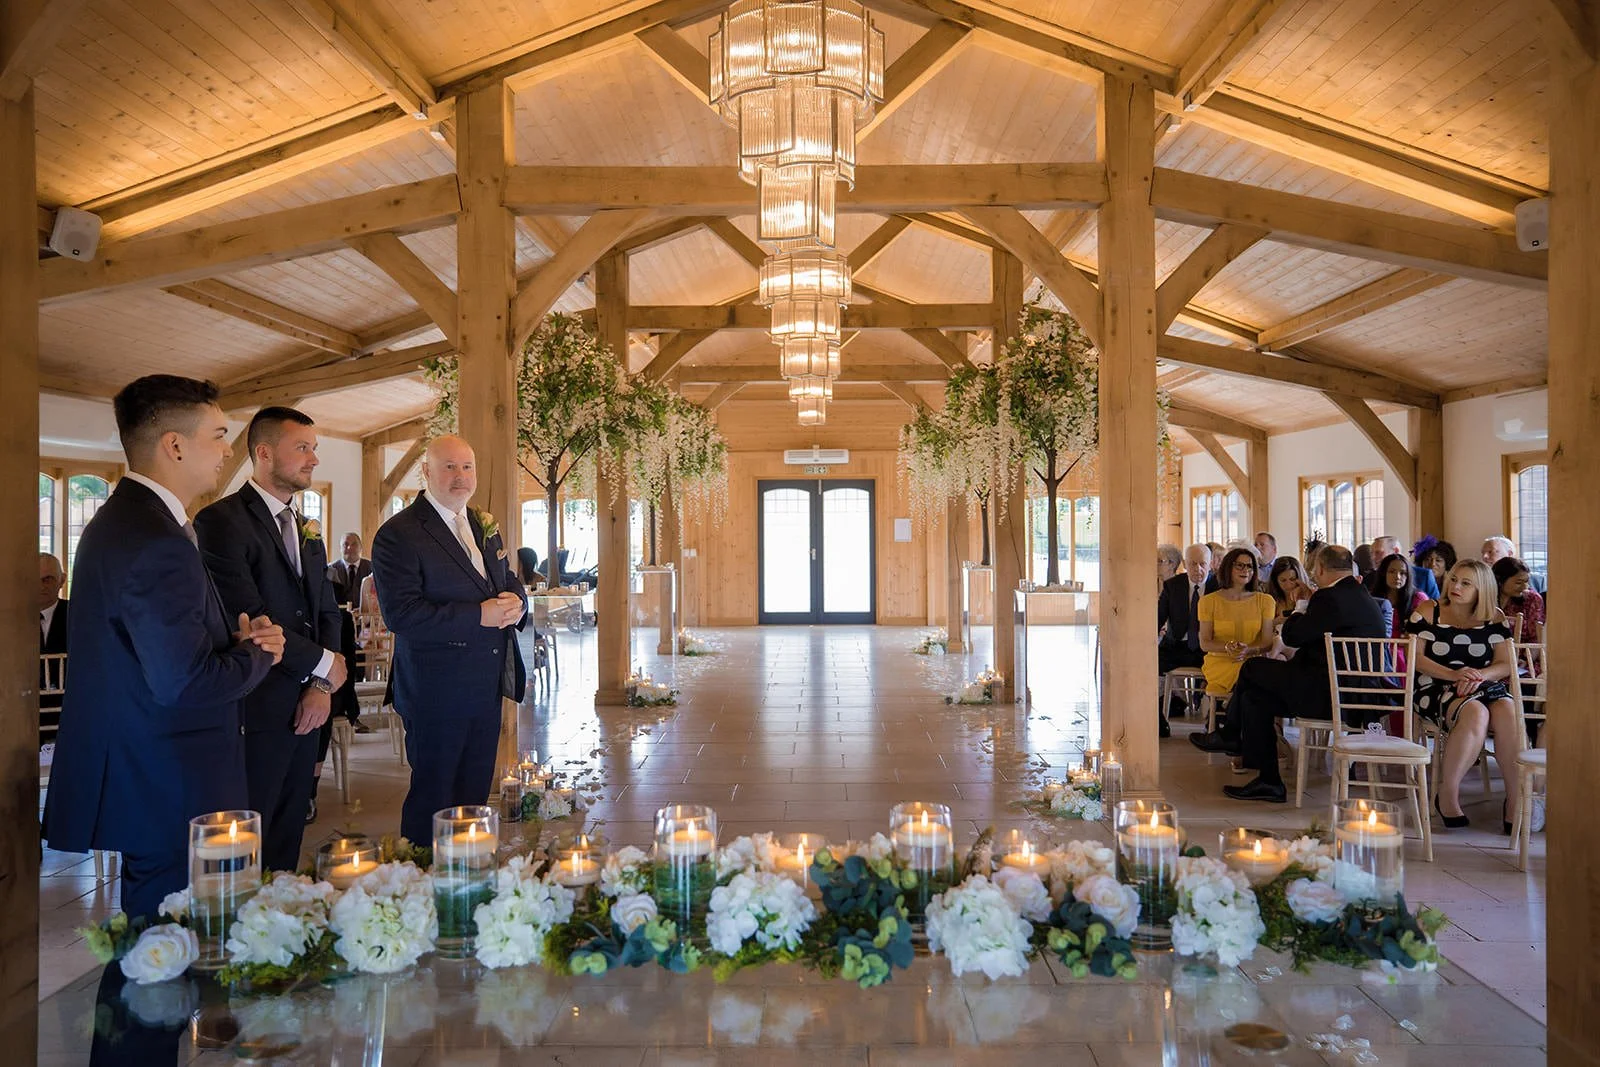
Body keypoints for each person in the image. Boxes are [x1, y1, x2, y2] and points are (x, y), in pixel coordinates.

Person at [43, 375, 284, 922]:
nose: (229, 450)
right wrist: (259, 653)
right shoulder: (155, 539)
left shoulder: (129, 519)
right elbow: (186, 681)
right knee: (170, 949)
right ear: (174, 445)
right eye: (219, 435)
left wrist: (233, 640)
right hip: (171, 783)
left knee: (160, 941)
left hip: (151, 773)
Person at [194, 406, 347, 872]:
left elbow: (325, 609)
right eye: (302, 448)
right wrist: (323, 664)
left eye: (314, 449)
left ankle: (282, 929)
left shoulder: (307, 528)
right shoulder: (221, 522)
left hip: (308, 703)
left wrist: (320, 687)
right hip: (257, 704)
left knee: (287, 834)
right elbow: (252, 619)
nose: (313, 459)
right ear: (263, 453)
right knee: (247, 839)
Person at [372, 435, 528, 844]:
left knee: (473, 796)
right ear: (426, 472)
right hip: (434, 690)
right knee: (434, 797)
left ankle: (468, 876)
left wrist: (518, 602)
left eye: (467, 467)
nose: (461, 477)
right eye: (449, 467)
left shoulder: (480, 524)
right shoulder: (399, 534)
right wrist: (481, 614)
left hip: (485, 685)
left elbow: (505, 579)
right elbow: (402, 615)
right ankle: (422, 883)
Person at [1190, 545, 1387, 803]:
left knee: (1252, 668)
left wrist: (1302, 603)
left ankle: (1231, 734)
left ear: (1320, 569)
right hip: (1350, 695)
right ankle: (1269, 781)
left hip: (1328, 695)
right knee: (1253, 700)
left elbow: (1293, 635)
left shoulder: (1330, 597)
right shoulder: (1361, 596)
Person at [1406, 560, 1520, 832]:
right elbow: (1415, 659)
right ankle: (1448, 794)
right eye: (1454, 579)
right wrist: (1455, 675)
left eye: (1465, 583)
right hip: (1435, 686)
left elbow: (1505, 664)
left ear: (1483, 589)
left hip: (1481, 684)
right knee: (1476, 712)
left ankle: (1516, 799)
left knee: (1507, 709)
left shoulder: (1494, 617)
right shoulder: (1428, 611)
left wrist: (1476, 676)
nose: (1455, 586)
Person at [1197, 548, 1277, 701]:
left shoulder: (1265, 601)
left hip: (1251, 661)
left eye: (1249, 566)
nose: (1245, 570)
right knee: (1253, 684)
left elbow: (1267, 642)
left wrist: (1248, 651)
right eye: (1239, 565)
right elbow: (1205, 643)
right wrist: (1228, 647)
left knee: (1254, 677)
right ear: (1228, 567)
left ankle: (1233, 718)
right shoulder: (1208, 601)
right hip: (1220, 663)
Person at [38, 553, 69, 745]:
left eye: (47, 579)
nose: (41, 585)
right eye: (34, 579)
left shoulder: (79, 616)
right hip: (23, 717)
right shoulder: (9, 621)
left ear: (62, 580)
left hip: (67, 714)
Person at [1493, 557, 1545, 642]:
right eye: (1519, 582)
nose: (1525, 587)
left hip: (1523, 653)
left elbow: (1536, 639)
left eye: (1527, 582)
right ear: (1500, 580)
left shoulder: (1532, 599)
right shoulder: (1485, 599)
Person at [327, 532, 372, 609]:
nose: (349, 548)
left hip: (365, 617)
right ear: (340, 548)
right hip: (339, 617)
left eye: (354, 544)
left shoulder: (372, 568)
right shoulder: (330, 570)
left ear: (361, 547)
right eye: (345, 544)